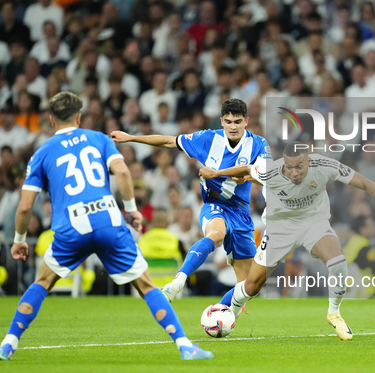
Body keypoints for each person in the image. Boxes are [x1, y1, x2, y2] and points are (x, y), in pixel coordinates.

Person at [0, 92, 212, 361]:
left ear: (51, 119)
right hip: (108, 220)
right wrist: (131, 211)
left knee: (43, 282)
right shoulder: (98, 139)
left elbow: (25, 206)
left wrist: (19, 239)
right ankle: (184, 345)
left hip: (71, 226)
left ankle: (8, 344)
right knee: (146, 285)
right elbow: (122, 172)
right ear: (79, 116)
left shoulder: (42, 153)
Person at [198, 142, 375, 340]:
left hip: (314, 223)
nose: (294, 172)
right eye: (289, 167)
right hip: (279, 228)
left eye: (299, 167)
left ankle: (334, 313)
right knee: (252, 285)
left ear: (309, 161)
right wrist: (217, 173)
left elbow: (366, 183)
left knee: (338, 262)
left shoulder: (324, 165)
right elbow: (246, 169)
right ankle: (231, 314)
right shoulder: (270, 170)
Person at [110, 98, 270, 302]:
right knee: (216, 234)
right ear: (221, 121)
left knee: (249, 287)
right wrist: (131, 138)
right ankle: (178, 282)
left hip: (241, 213)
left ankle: (223, 314)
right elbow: (170, 141)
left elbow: (267, 174)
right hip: (215, 205)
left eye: (237, 121)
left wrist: (245, 176)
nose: (233, 126)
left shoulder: (258, 144)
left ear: (246, 121)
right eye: (228, 121)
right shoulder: (207, 139)